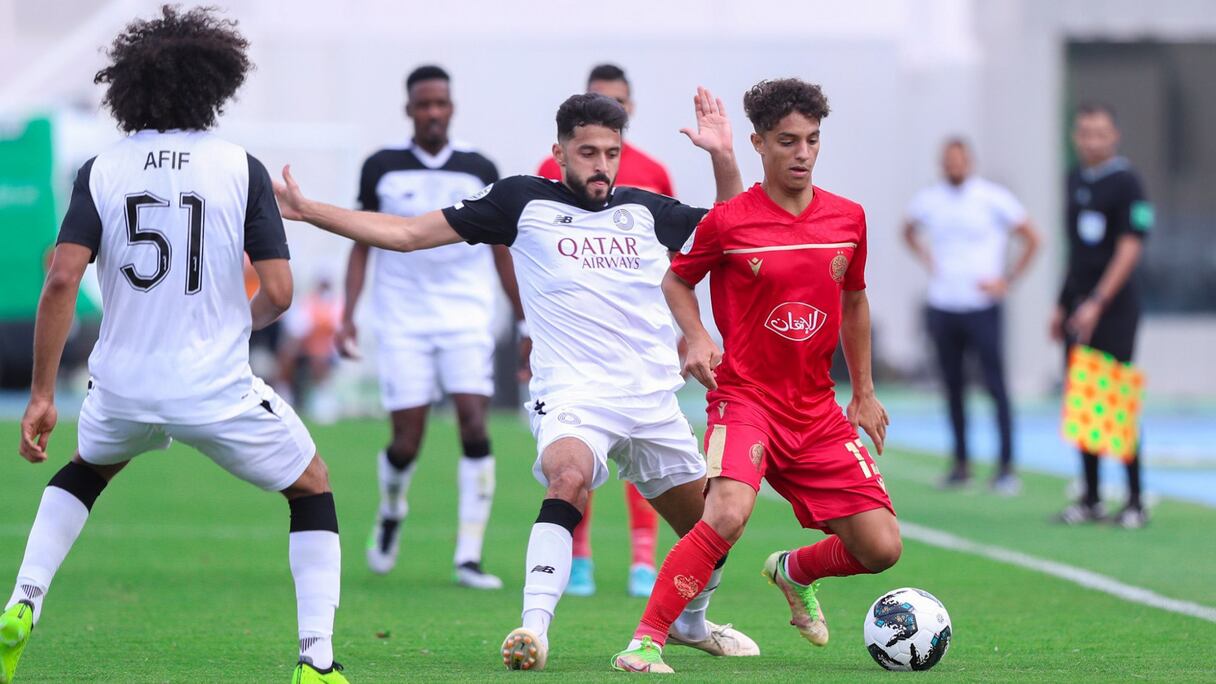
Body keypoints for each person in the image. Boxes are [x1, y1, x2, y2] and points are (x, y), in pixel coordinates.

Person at [274, 88, 761, 671]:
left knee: (715, 527)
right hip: (575, 395)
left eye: (611, 152)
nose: (601, 164)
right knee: (568, 479)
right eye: (587, 152)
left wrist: (723, 156)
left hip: (653, 399)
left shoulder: (648, 211)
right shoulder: (520, 202)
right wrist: (310, 211)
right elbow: (406, 234)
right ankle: (533, 631)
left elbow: (736, 233)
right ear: (559, 153)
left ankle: (690, 621)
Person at [0, 7, 347, 684]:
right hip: (214, 385)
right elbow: (278, 291)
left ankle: (21, 603)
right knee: (313, 487)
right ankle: (317, 661)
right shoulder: (239, 168)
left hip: (120, 384)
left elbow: (61, 280)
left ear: (128, 88)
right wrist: (231, 328)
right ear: (215, 85)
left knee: (86, 470)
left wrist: (43, 394)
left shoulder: (100, 168)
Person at [612, 78, 898, 674]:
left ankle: (794, 571)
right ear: (759, 144)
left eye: (812, 141)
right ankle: (647, 640)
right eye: (787, 141)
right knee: (726, 513)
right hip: (746, 401)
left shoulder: (849, 218)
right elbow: (676, 278)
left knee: (880, 548)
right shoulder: (729, 221)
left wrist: (864, 392)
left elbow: (856, 302)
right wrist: (696, 336)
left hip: (817, 409)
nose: (802, 153)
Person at [338, 65, 522, 589]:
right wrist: (348, 314)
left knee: (473, 422)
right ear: (410, 109)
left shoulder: (478, 166)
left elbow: (500, 247)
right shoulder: (382, 166)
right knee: (407, 439)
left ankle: (468, 555)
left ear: (452, 107)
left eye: (441, 103)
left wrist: (524, 317)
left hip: (466, 313)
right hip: (402, 317)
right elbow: (362, 241)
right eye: (424, 104)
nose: (433, 112)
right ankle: (391, 511)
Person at [535, 63, 673, 598]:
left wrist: (688, 329)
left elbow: (678, 254)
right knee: (573, 461)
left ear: (630, 108)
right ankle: (582, 558)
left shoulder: (653, 174)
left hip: (639, 348)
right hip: (577, 354)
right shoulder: (550, 177)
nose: (601, 161)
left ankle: (644, 562)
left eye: (617, 100)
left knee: (653, 466)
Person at [903, 138, 1040, 493]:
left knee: (996, 386)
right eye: (948, 161)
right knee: (952, 387)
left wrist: (1006, 280)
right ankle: (961, 464)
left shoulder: (992, 198)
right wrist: (928, 260)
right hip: (944, 303)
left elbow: (1032, 238)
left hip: (982, 305)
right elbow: (907, 230)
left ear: (971, 162)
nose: (954, 166)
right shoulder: (930, 200)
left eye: (959, 160)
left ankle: (1006, 466)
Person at [1053, 102, 1153, 529]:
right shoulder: (1075, 180)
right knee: (1084, 400)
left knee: (1114, 398)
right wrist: (1063, 302)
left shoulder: (1128, 183)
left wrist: (1097, 301)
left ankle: (1134, 499)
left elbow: (1129, 248)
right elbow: (1078, 252)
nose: (1091, 140)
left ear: (1114, 137)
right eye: (1085, 132)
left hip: (1114, 310)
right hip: (1079, 308)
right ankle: (1091, 496)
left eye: (1100, 133)